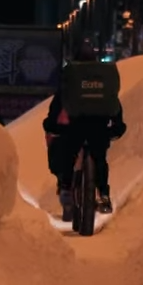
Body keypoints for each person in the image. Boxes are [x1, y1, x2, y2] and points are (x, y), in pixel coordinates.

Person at [42, 42, 126, 217]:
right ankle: (103, 195)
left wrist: (51, 124)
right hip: (100, 126)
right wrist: (118, 125)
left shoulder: (73, 75)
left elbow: (59, 102)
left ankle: (66, 187)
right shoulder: (103, 76)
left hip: (76, 126)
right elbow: (113, 101)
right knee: (100, 159)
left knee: (69, 154)